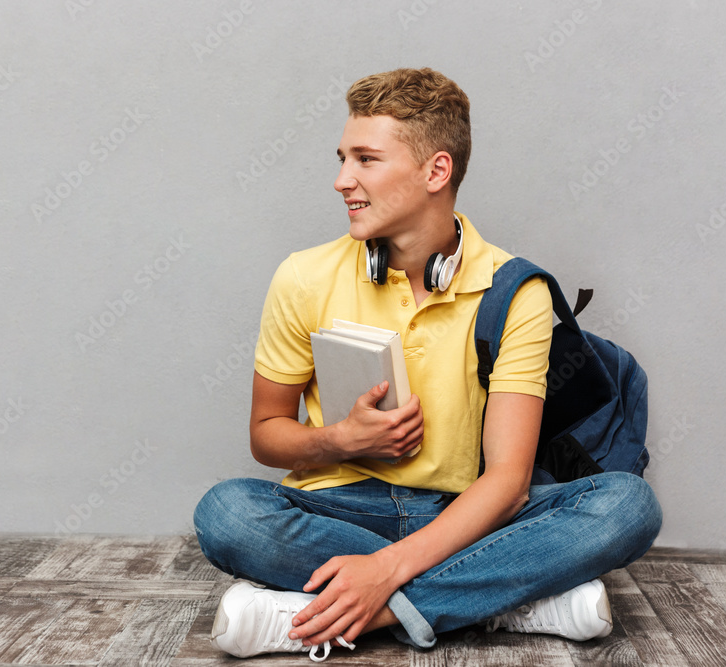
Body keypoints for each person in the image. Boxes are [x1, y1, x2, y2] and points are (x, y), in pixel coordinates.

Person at [193, 67, 662, 662]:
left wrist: (385, 573)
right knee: (227, 512)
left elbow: (509, 483)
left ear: (436, 171)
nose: (342, 180)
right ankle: (507, 599)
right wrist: (338, 439)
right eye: (342, 158)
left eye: (366, 159)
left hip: (468, 514)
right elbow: (267, 435)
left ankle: (344, 613)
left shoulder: (516, 291)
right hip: (342, 507)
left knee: (627, 505)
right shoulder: (303, 276)